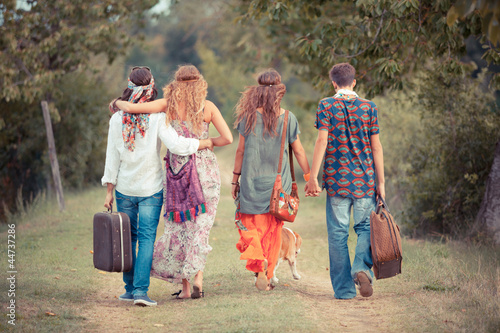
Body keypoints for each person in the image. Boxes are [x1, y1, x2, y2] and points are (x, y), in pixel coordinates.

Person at [115, 65, 233, 299]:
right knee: (200, 227)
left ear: (176, 84)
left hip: (177, 170)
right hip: (204, 169)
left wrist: (116, 103)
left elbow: (131, 108)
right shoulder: (208, 107)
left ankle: (187, 289)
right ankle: (198, 276)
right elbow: (228, 138)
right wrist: (207, 142)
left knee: (181, 227)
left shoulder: (168, 105)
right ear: (200, 83)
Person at [305, 62, 385, 299]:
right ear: (354, 81)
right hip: (365, 181)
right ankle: (361, 268)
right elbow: (376, 147)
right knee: (365, 229)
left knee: (338, 234)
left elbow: (322, 141)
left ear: (333, 83)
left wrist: (313, 178)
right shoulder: (369, 107)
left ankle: (344, 291)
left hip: (338, 181)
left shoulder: (326, 105)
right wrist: (381, 182)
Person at [231, 69, 311, 291]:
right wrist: (309, 177)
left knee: (250, 226)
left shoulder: (247, 118)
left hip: (250, 183)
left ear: (257, 92)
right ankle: (268, 272)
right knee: (274, 231)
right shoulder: (288, 118)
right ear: (279, 93)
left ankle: (258, 262)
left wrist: (234, 180)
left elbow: (240, 152)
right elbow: (299, 151)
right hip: (278, 187)